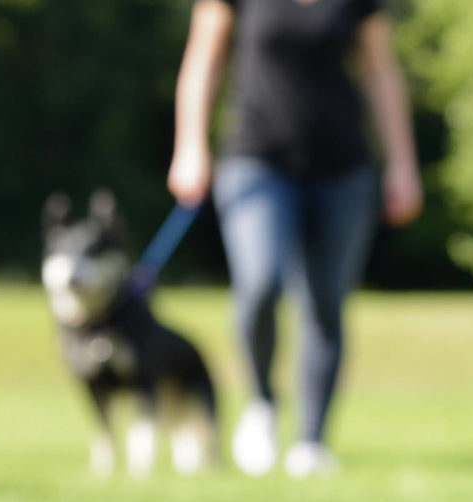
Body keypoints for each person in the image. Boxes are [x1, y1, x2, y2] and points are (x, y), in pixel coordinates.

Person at [167, 0, 422, 476]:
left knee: (326, 304)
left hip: (344, 167)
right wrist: (190, 144)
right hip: (256, 159)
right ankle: (262, 401)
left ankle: (311, 442)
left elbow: (381, 70)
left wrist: (402, 163)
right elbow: (203, 58)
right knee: (260, 283)